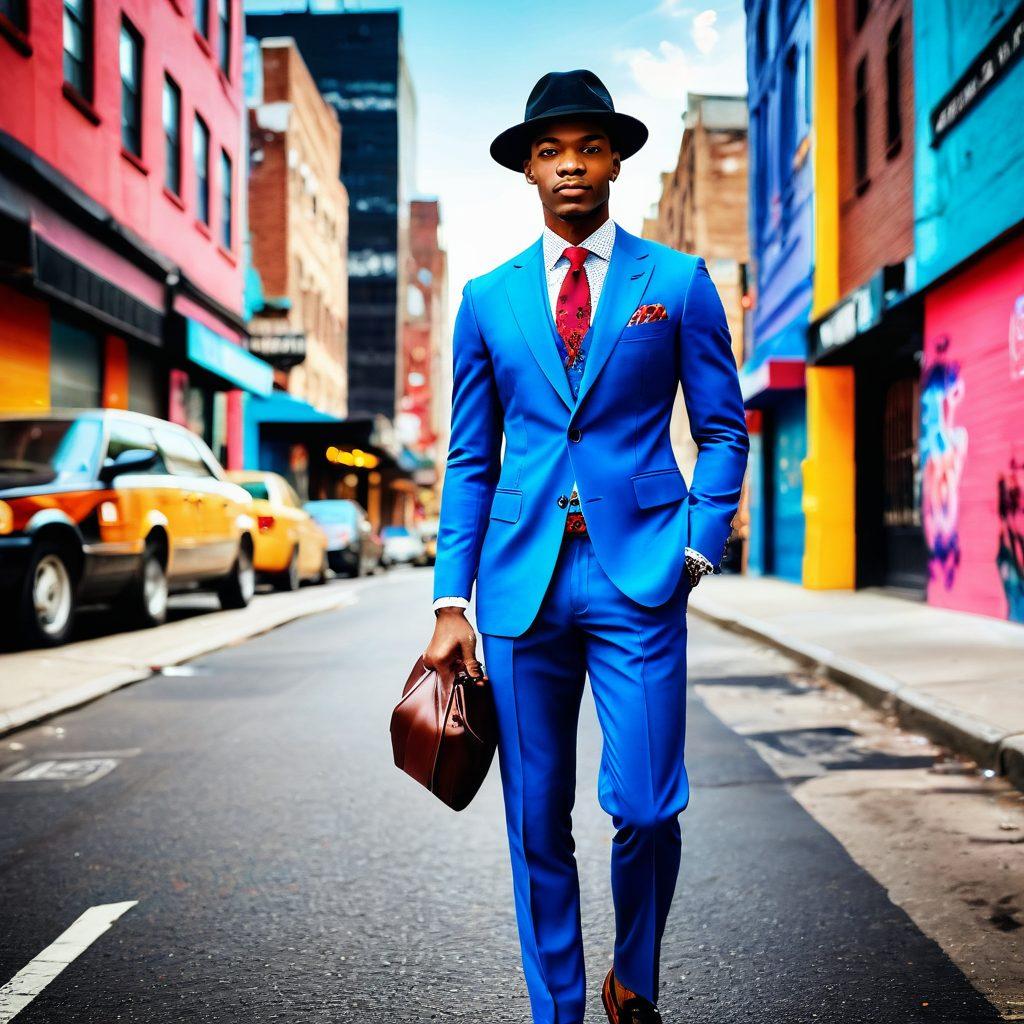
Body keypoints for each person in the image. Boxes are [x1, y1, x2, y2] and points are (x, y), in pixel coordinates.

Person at [423, 69, 749, 1024]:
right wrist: (452, 601)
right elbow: (471, 457)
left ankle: (633, 979)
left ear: (615, 160)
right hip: (521, 582)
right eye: (551, 150)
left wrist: (698, 548)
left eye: (589, 147)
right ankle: (559, 1011)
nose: (571, 165)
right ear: (528, 169)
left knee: (648, 805)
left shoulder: (676, 285)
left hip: (640, 573)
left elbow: (724, 429)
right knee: (536, 821)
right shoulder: (487, 300)